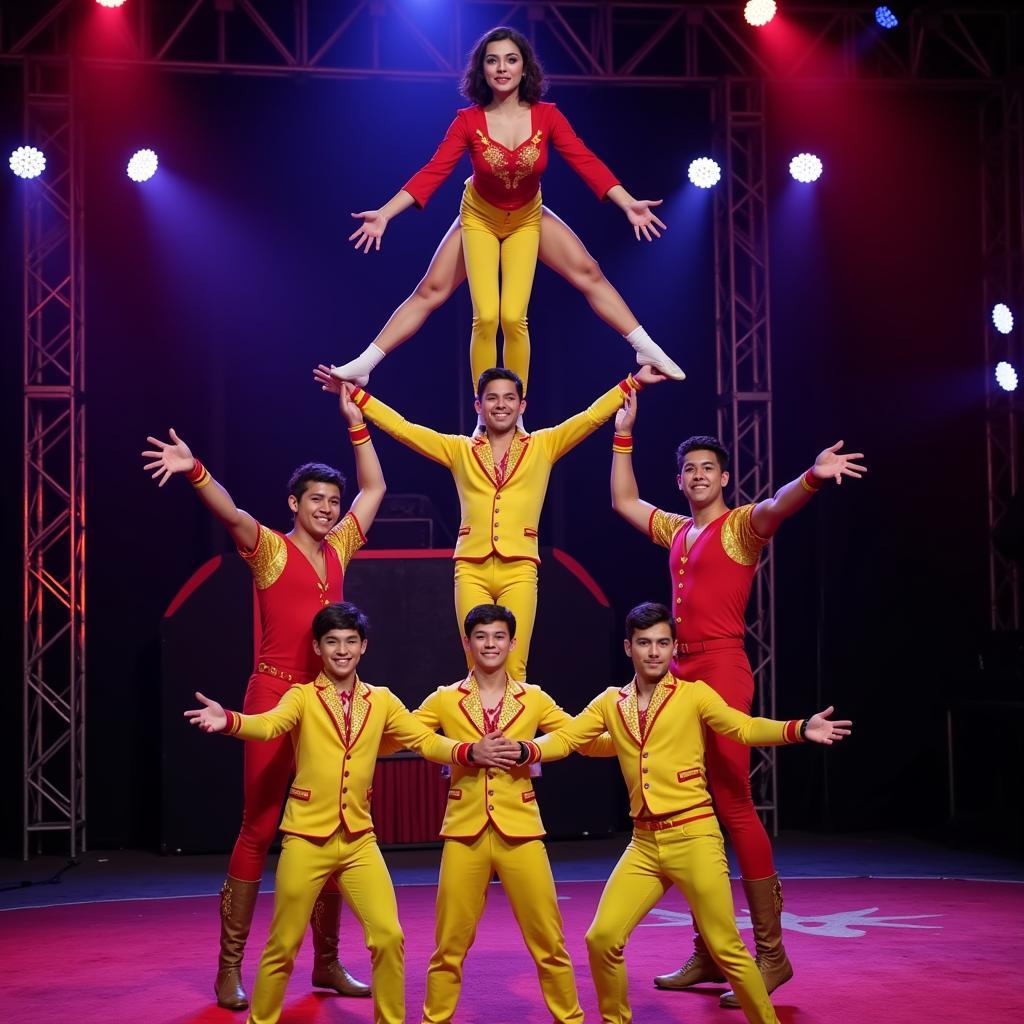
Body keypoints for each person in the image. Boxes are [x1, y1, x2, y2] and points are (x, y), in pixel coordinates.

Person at [608, 391, 866, 1006]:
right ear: (681, 480)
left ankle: (772, 955)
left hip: (722, 668)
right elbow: (622, 500)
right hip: (676, 672)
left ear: (725, 477)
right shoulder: (678, 530)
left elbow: (778, 507)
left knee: (732, 800)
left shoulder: (742, 526)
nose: (698, 476)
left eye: (708, 469)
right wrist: (623, 434)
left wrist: (813, 476)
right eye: (689, 470)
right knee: (693, 804)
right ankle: (709, 952)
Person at [141, 387, 386, 1010]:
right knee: (258, 828)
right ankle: (229, 968)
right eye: (317, 501)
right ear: (294, 505)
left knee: (330, 828)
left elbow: (375, 488)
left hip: (330, 702)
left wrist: (357, 426)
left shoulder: (342, 548)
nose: (329, 509)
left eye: (333, 501)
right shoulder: (271, 550)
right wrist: (195, 469)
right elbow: (229, 512)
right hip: (274, 692)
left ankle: (326, 963)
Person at [516, 602, 852, 1024]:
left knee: (727, 946)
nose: (653, 652)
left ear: (674, 647)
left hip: (694, 835)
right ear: (628, 648)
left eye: (662, 643)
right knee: (602, 938)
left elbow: (742, 728)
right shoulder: (610, 703)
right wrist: (526, 749)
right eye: (644, 643)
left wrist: (799, 728)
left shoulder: (693, 695)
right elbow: (567, 740)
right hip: (643, 844)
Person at [184, 602, 518, 1024]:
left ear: (363, 647)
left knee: (389, 936)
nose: (341, 650)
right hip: (306, 837)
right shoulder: (301, 696)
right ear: (318, 648)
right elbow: (267, 725)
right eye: (332, 642)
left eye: (350, 642)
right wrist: (229, 720)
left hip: (359, 840)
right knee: (283, 945)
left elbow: (424, 740)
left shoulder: (380, 700)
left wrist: (468, 750)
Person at [335, 25, 683, 395]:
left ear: (524, 68)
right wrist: (386, 213)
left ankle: (643, 350)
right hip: (479, 216)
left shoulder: (547, 117)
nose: (502, 68)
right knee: (471, 310)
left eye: (511, 60)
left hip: (527, 216)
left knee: (535, 304)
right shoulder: (467, 121)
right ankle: (377, 370)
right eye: (493, 60)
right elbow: (434, 171)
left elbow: (585, 161)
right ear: (482, 70)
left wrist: (627, 202)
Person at [314, 362, 666, 679]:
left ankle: (513, 750)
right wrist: (357, 396)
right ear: (478, 406)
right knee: (477, 664)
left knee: (514, 665)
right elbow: (404, 429)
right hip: (470, 566)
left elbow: (590, 417)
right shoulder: (459, 449)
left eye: (509, 398)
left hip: (520, 568)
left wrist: (633, 383)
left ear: (521, 405)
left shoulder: (543, 445)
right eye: (492, 398)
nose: (501, 404)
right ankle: (482, 747)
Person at [380, 603, 613, 1024]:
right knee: (448, 946)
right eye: (482, 637)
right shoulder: (445, 698)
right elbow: (409, 735)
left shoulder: (535, 698)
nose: (490, 644)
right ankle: (436, 1019)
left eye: (499, 636)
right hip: (464, 831)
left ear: (512, 643)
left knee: (550, 942)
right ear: (467, 643)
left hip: (521, 830)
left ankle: (571, 1019)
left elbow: (576, 735)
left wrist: (633, 741)